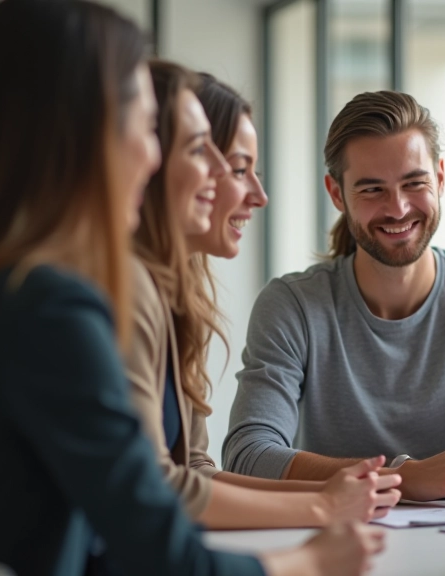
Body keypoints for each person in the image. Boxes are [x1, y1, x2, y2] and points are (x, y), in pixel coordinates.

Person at [0, 2, 383, 575]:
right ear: (81, 132)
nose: (152, 155)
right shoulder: (49, 306)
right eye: (145, 127)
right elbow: (155, 544)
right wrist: (309, 563)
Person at [223, 90, 445, 503]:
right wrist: (403, 477)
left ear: (442, 178)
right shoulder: (293, 304)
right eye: (372, 189)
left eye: (414, 183)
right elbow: (248, 454)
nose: (397, 209)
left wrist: (409, 480)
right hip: (335, 541)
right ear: (337, 194)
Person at [125, 60, 400, 530]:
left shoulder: (175, 296)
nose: (258, 194)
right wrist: (325, 505)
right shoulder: (125, 290)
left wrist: (340, 492)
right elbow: (157, 485)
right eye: (238, 169)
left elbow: (194, 470)